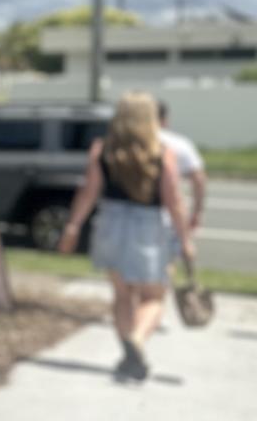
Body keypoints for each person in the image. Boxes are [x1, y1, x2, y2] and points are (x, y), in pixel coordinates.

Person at [58, 91, 195, 381]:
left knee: (122, 295)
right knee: (154, 296)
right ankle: (136, 340)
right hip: (148, 228)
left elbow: (88, 192)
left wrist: (72, 226)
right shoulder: (161, 153)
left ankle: (128, 353)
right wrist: (185, 239)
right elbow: (175, 202)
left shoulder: (102, 150)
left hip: (110, 223)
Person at [158, 100, 208, 232]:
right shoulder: (180, 144)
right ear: (165, 119)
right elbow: (199, 180)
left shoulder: (126, 143)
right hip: (169, 213)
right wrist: (197, 211)